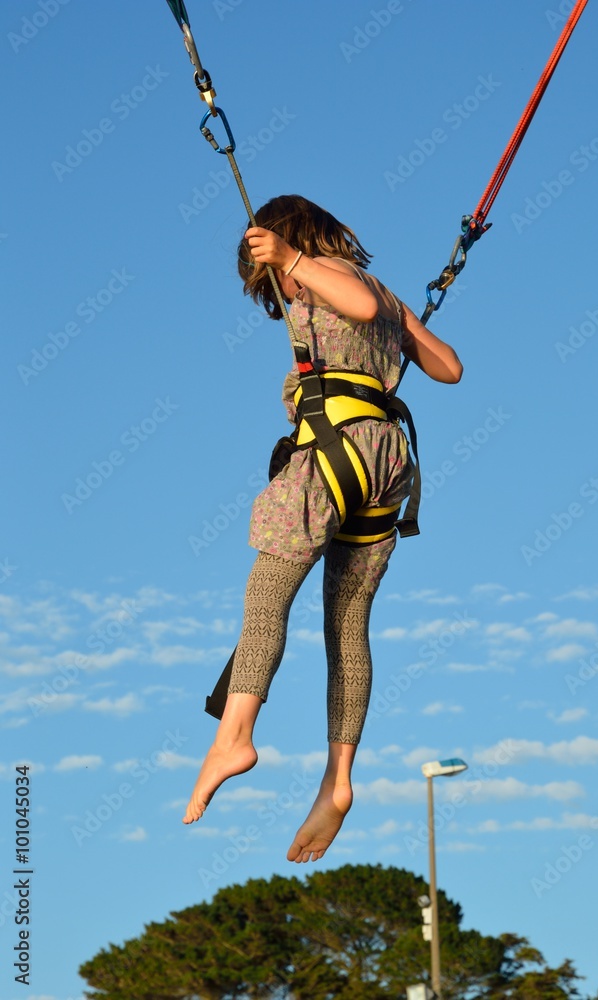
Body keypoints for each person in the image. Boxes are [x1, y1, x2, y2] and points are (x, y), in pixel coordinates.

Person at [183, 195, 462, 862]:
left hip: (333, 448)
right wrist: (406, 325)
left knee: (265, 596)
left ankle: (235, 737)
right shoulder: (385, 293)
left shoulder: (319, 272)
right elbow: (448, 367)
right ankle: (337, 780)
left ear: (287, 241)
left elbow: (358, 308)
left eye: (272, 277)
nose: (278, 291)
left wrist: (292, 259)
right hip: (386, 465)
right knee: (346, 625)